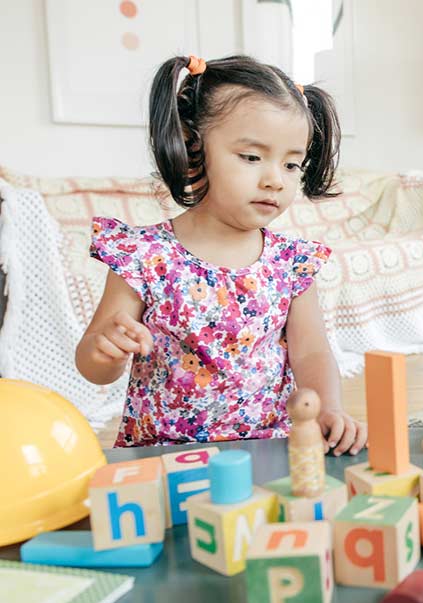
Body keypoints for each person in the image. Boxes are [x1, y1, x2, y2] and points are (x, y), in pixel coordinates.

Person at [76, 54, 366, 453]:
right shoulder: (142, 256)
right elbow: (94, 366)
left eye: (292, 164)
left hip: (268, 449)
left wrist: (328, 408)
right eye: (251, 157)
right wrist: (104, 350)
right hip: (163, 454)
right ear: (191, 146)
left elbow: (312, 351)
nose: (274, 180)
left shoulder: (292, 264)